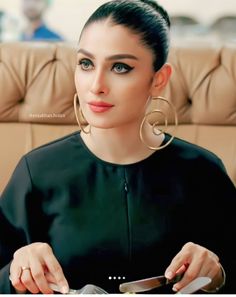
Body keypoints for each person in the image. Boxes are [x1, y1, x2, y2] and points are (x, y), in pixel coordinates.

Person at [0, 0, 236, 294]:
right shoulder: (35, 172)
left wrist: (220, 274)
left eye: (120, 67)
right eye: (86, 63)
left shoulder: (203, 172)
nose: (96, 85)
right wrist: (16, 270)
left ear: (158, 80)